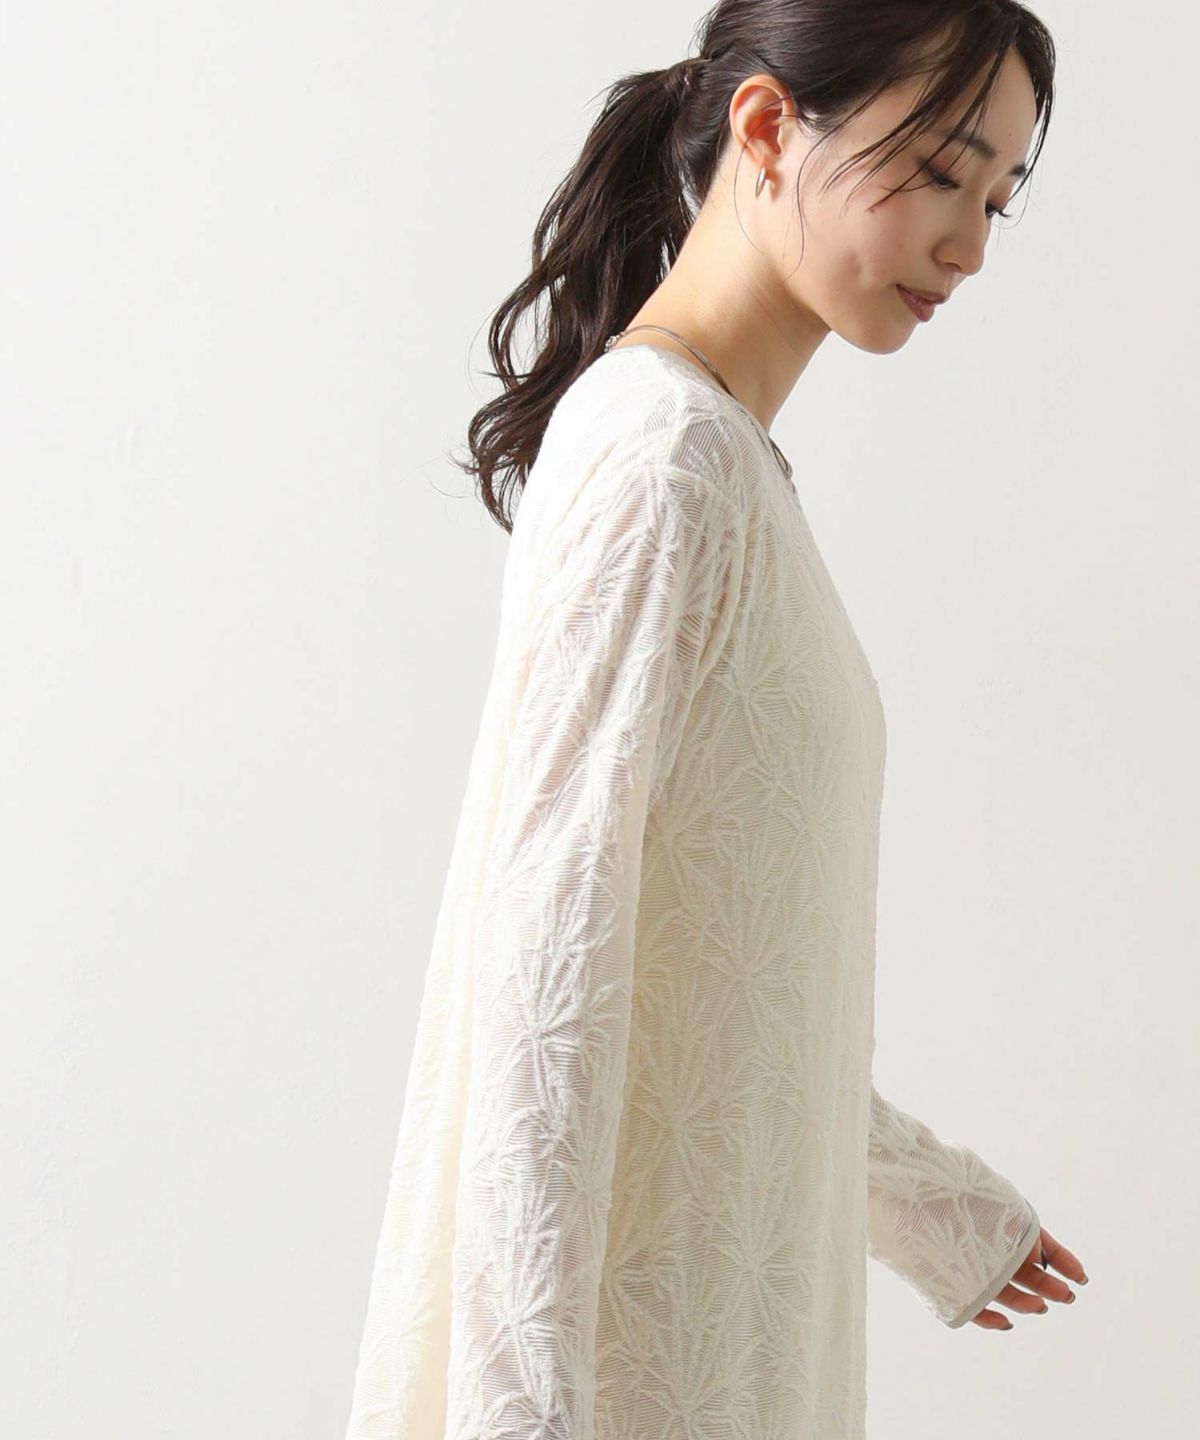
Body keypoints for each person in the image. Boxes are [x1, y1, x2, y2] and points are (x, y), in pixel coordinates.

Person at [345, 3, 1088, 1437]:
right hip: (627, 1379)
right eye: (942, 171)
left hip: (726, 1343)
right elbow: (541, 998)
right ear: (767, 128)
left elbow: (721, 979)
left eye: (997, 198)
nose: (972, 246)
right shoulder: (663, 463)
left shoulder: (719, 466)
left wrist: (937, 1210)